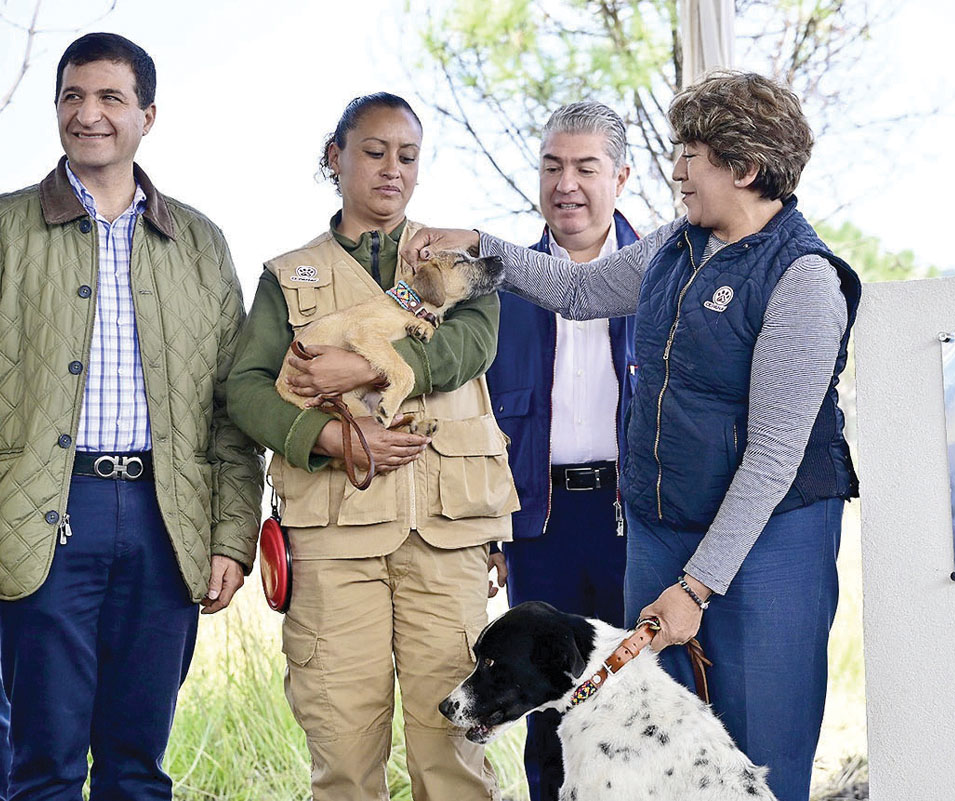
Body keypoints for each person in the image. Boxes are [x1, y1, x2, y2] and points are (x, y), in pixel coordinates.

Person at [404, 70, 862, 801]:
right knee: (648, 760)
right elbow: (579, 291)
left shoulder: (804, 280)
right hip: (662, 529)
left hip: (770, 541)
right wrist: (478, 244)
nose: (675, 169)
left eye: (693, 154)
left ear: (744, 168)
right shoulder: (674, 248)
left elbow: (775, 455)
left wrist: (696, 585)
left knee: (755, 756)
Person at [226, 92, 517, 801]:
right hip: (333, 540)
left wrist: (364, 366)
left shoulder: (454, 256)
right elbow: (246, 387)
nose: (393, 169)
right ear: (337, 157)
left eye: (408, 156)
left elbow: (472, 345)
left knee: (453, 749)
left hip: (446, 535)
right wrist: (327, 436)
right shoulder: (288, 276)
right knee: (345, 748)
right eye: (374, 151)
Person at [0, 33, 263, 799]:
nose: (89, 114)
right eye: (73, 97)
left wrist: (230, 537)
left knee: (138, 766)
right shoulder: (7, 230)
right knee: (40, 763)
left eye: (110, 98)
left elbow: (231, 406)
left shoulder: (200, 244)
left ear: (148, 114)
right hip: (41, 515)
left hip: (165, 518)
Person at [485, 100, 637, 801]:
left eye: (585, 167)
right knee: (546, 705)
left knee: (639, 693)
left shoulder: (662, 271)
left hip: (634, 520)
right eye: (552, 167)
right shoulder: (503, 283)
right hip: (538, 524)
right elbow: (477, 415)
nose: (566, 183)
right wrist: (490, 530)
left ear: (622, 177)